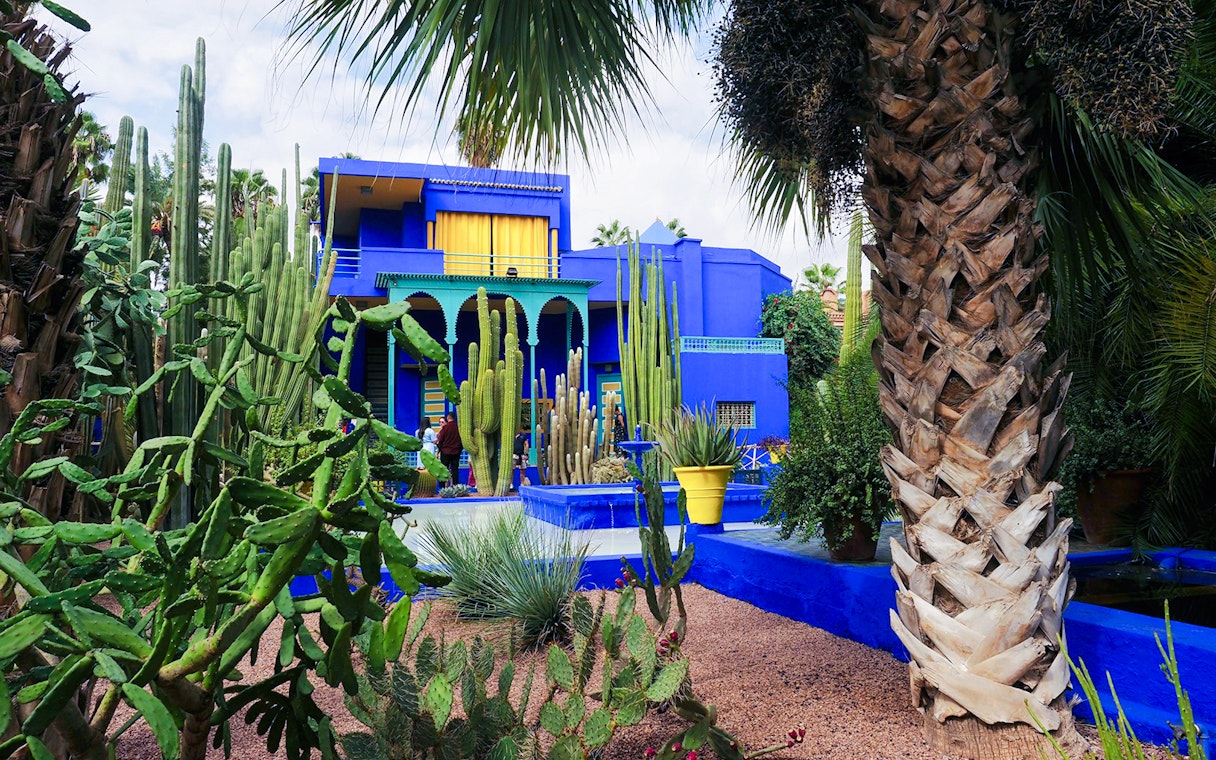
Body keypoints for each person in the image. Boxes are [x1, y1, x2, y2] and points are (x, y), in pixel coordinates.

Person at [436, 411, 462, 487]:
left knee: (443, 469)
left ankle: (442, 487)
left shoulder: (445, 428)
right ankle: (455, 486)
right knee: (455, 470)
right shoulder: (458, 427)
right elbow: (462, 439)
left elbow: (441, 440)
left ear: (448, 418)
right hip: (456, 451)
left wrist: (439, 449)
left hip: (445, 452)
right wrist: (460, 449)